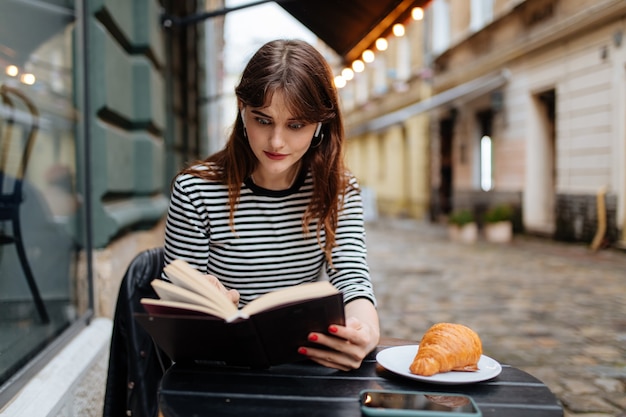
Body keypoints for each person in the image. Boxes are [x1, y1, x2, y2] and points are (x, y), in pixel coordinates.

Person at [163, 39, 379, 371]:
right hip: (219, 370)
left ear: (321, 122)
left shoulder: (338, 189)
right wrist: (205, 300)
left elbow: (350, 277)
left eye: (295, 126)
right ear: (241, 107)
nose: (277, 141)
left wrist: (365, 332)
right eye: (263, 120)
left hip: (304, 364)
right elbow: (178, 310)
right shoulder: (196, 190)